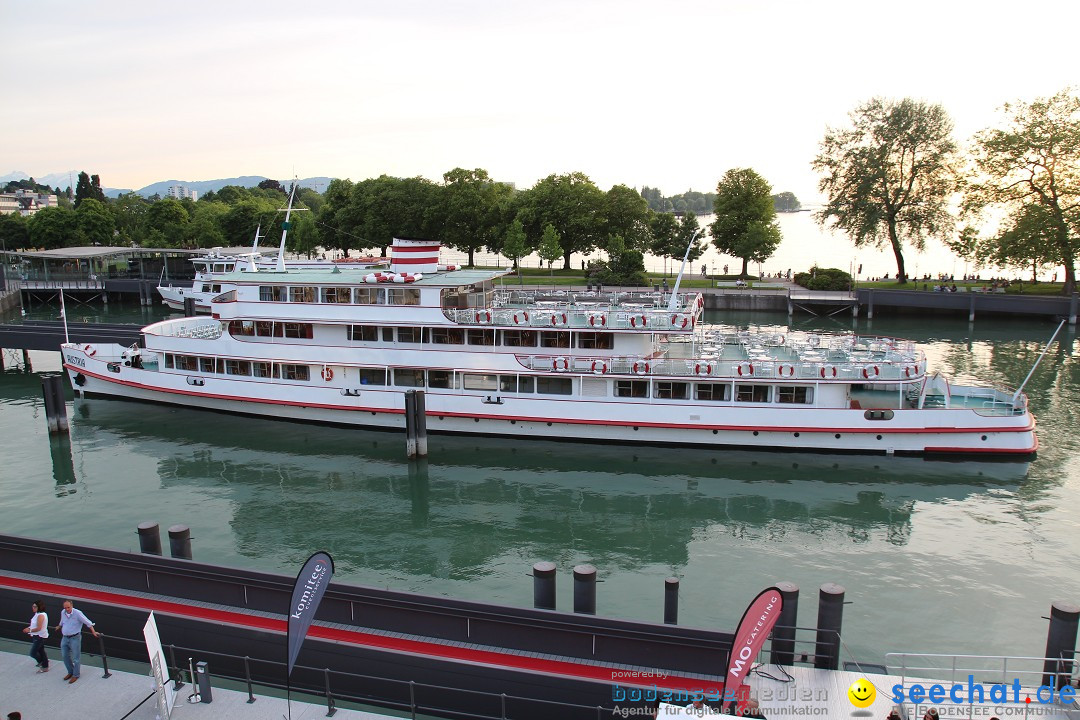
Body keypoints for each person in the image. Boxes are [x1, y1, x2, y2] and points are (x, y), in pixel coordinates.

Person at [54, 599, 99, 683]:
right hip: (65, 637)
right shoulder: (63, 612)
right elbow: (62, 621)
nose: (67, 609)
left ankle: (76, 674)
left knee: (76, 658)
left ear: (72, 606)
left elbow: (88, 622)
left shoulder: (78, 613)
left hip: (75, 637)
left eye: (68, 607)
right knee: (64, 656)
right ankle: (70, 672)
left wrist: (93, 632)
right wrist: (59, 626)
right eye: (65, 607)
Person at [21, 598, 49, 672]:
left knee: (33, 653)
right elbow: (34, 625)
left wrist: (29, 630)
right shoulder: (37, 614)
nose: (33, 608)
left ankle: (43, 663)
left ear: (39, 607)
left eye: (35, 607)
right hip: (37, 636)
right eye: (33, 606)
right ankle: (45, 664)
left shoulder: (40, 615)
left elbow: (39, 627)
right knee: (41, 651)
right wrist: (29, 628)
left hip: (39, 636)